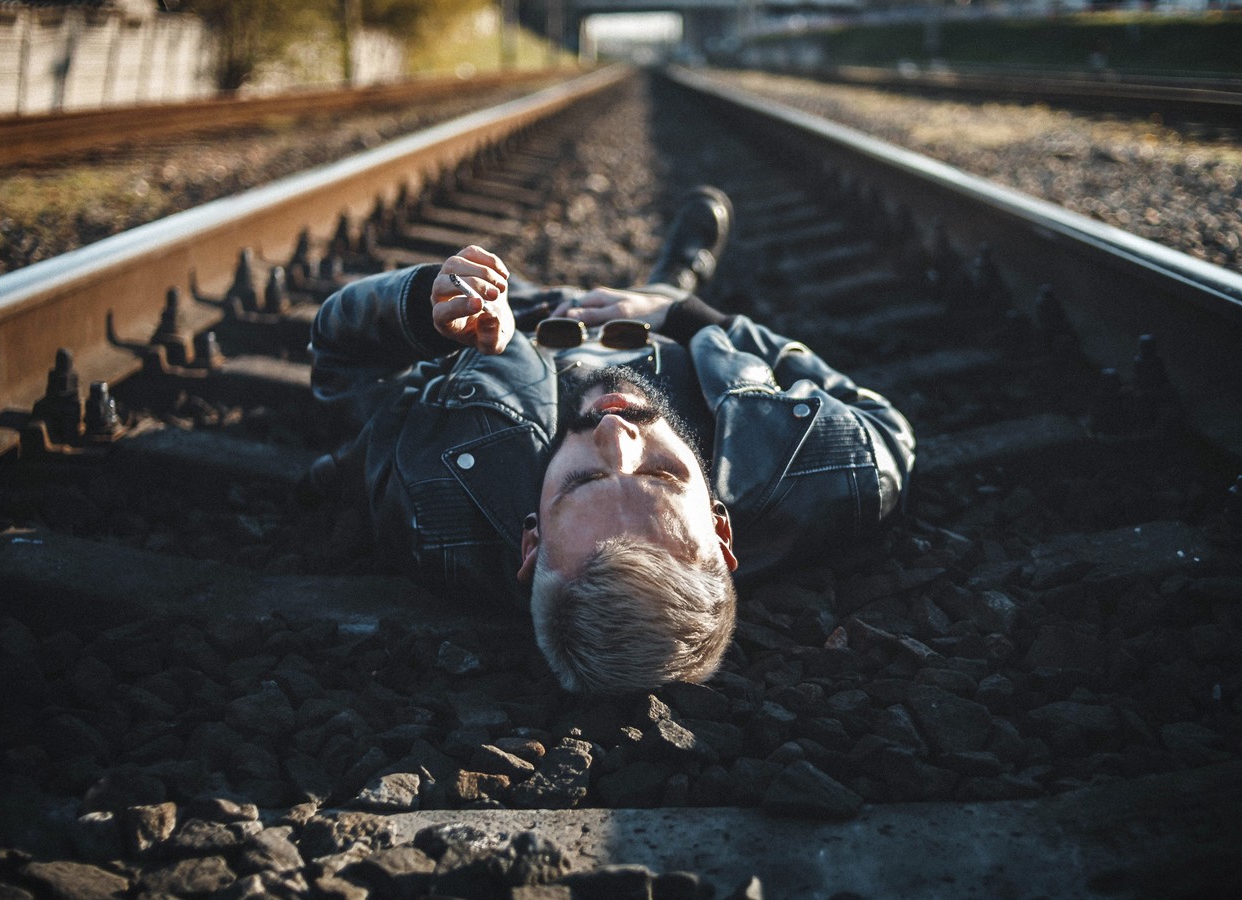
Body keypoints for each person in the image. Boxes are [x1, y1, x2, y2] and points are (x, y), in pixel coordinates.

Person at [306, 187, 915, 694]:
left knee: (530, 295)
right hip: (667, 338)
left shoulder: (434, 505)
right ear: (721, 529)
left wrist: (423, 309)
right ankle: (676, 279)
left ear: (530, 539)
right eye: (661, 477)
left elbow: (339, 367)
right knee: (669, 294)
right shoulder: (822, 478)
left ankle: (632, 284)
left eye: (584, 480)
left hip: (533, 323)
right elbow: (887, 424)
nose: (616, 433)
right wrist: (687, 315)